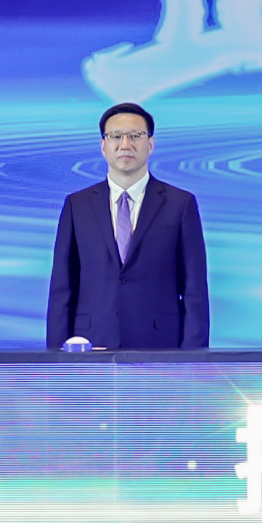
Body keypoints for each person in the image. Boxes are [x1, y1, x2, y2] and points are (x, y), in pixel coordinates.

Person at [46, 102, 210, 350]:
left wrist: (194, 358)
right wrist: (56, 356)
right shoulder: (77, 205)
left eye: (135, 136)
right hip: (91, 344)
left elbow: (194, 289)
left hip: (161, 347)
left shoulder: (181, 204)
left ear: (150, 144)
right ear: (103, 146)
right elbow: (62, 287)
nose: (125, 144)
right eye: (116, 136)